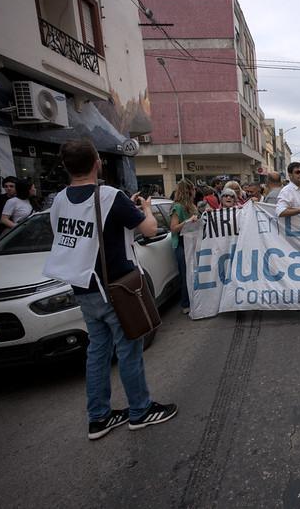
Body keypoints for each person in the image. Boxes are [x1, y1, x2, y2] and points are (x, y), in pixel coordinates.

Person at [42, 140, 176, 440]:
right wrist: (147, 209)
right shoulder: (109, 196)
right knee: (129, 349)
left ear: (66, 166)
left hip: (83, 287)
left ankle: (99, 417)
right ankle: (140, 411)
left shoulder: (59, 200)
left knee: (98, 352)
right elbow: (150, 230)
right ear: (97, 163)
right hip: (116, 287)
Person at [170, 179, 198, 315]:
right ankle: (185, 303)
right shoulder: (178, 207)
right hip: (181, 244)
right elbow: (173, 228)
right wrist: (187, 221)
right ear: (188, 191)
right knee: (185, 274)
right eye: (193, 189)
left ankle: (194, 299)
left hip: (192, 242)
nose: (195, 191)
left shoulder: (192, 206)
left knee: (193, 272)